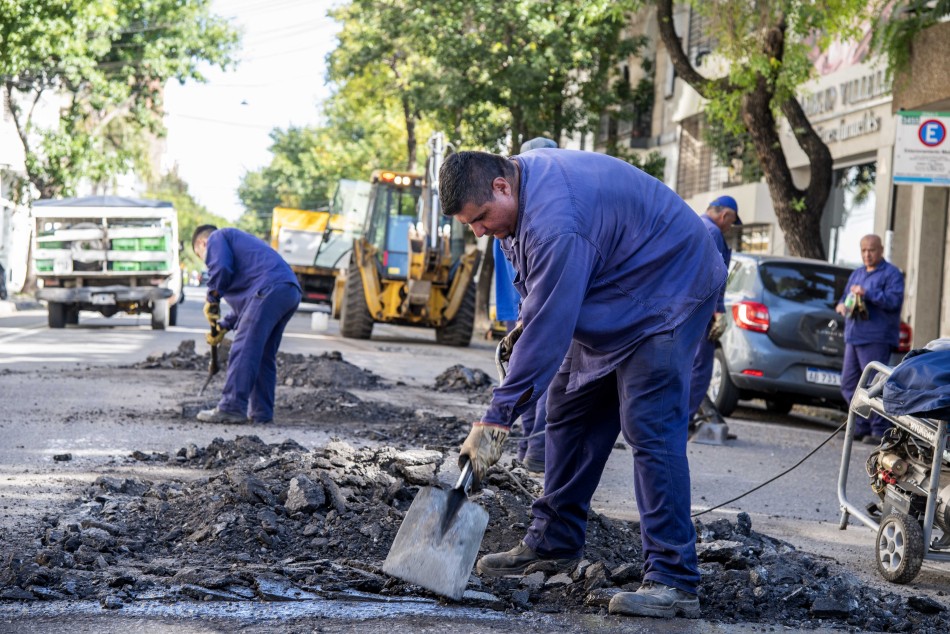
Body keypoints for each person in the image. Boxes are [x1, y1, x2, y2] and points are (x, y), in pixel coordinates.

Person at [439, 148, 726, 619]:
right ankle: (555, 541)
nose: (480, 231)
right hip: (614, 285)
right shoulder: (517, 198)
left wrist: (495, 420)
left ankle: (675, 579)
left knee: (649, 426)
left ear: (501, 186)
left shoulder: (557, 220)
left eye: (483, 219)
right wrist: (525, 326)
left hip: (668, 287)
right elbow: (540, 294)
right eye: (471, 225)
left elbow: (550, 332)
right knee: (568, 405)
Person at [192, 225, 302, 424]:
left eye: (202, 257)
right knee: (263, 356)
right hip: (287, 291)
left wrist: (213, 297)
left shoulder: (217, 237)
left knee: (244, 348)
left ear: (202, 243)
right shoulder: (242, 251)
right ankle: (261, 413)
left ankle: (232, 407)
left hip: (270, 289)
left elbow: (221, 268)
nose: (207, 264)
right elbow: (249, 305)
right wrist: (224, 326)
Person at [835, 234, 904, 444]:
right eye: (863, 250)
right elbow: (846, 298)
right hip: (854, 336)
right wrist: (841, 306)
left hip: (876, 338)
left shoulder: (891, 274)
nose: (867, 254)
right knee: (849, 384)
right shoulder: (857, 273)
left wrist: (868, 293)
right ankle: (860, 425)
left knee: (874, 385)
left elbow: (893, 301)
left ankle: (878, 429)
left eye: (871, 250)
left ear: (881, 250)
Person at [687, 195, 741, 427]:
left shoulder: (693, 224)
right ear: (724, 215)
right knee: (700, 367)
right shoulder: (714, 232)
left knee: (686, 365)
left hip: (685, 307)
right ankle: (684, 419)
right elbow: (713, 274)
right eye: (731, 222)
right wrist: (718, 310)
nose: (730, 227)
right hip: (701, 309)